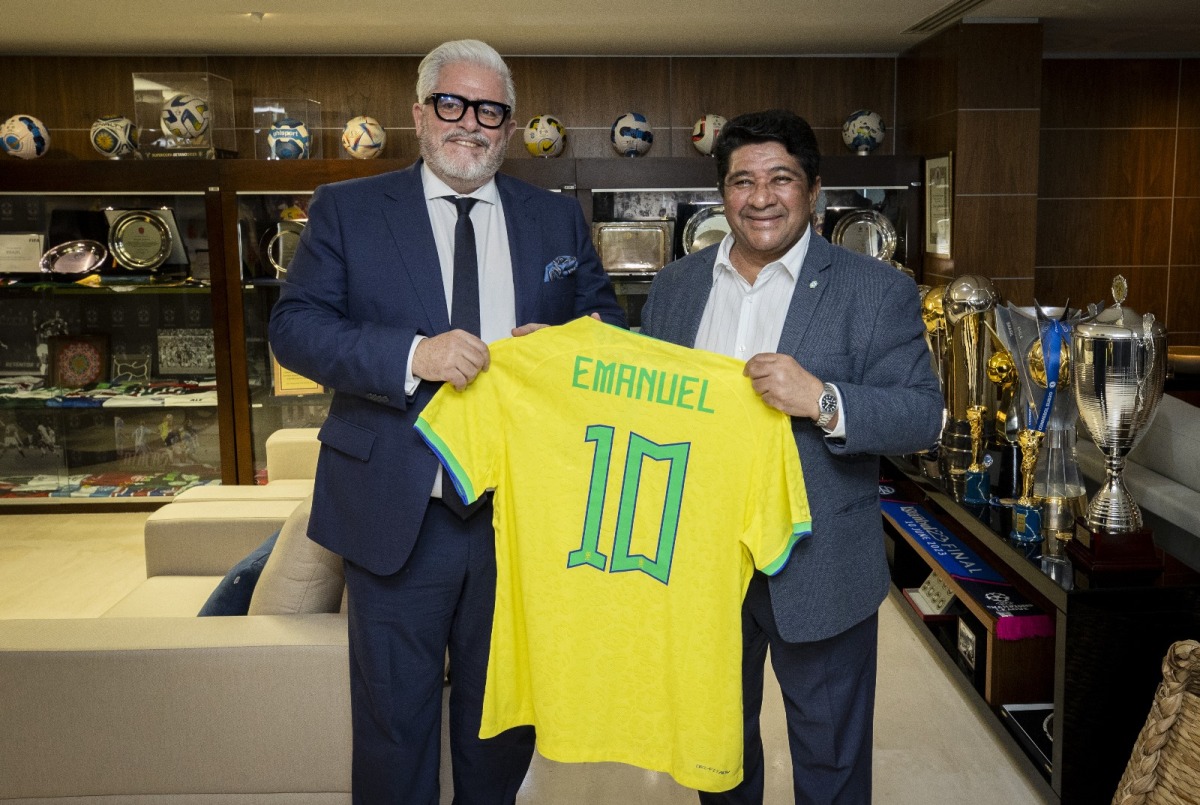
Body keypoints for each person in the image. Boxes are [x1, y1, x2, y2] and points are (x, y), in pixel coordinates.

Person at [268, 39, 624, 804]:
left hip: (520, 517)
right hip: (398, 511)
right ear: (419, 115)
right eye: (452, 104)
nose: (470, 123)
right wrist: (411, 354)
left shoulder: (556, 219)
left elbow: (606, 325)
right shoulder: (348, 208)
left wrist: (565, 348)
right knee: (394, 723)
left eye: (489, 109)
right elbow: (294, 328)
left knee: (502, 722)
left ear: (510, 123)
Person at [640, 109, 943, 804]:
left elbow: (923, 413)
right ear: (722, 194)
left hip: (821, 566)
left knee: (831, 766)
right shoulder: (677, 286)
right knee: (719, 756)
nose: (761, 196)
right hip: (703, 566)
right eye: (742, 180)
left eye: (780, 178)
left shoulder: (876, 290)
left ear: (814, 191)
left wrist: (824, 398)